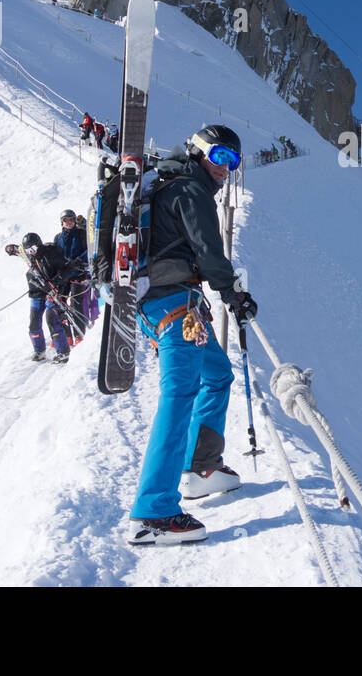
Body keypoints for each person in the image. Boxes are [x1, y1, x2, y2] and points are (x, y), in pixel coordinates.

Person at [96, 124, 257, 545]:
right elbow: (209, 250)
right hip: (174, 308)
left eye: (234, 161)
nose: (226, 168)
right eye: (220, 156)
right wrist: (234, 295)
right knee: (178, 397)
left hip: (169, 306)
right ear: (199, 152)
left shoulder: (166, 185)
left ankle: (200, 467)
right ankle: (153, 512)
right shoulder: (190, 189)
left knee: (218, 374)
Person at [5, 233, 81, 363]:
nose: (31, 252)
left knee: (51, 318)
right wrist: (11, 249)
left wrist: (56, 283)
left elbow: (67, 269)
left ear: (39, 245)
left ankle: (63, 352)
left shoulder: (51, 254)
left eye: (33, 249)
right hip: (37, 291)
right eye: (28, 250)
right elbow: (19, 251)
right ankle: (39, 350)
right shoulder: (28, 255)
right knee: (34, 320)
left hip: (53, 290)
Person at [53, 209, 90, 336]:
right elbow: (55, 255)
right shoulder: (58, 238)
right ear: (61, 222)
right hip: (64, 275)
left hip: (77, 274)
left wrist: (79, 260)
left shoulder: (81, 234)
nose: (69, 222)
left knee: (76, 305)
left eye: (71, 219)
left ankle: (79, 333)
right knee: (58, 304)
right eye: (66, 220)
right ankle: (67, 335)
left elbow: (89, 250)